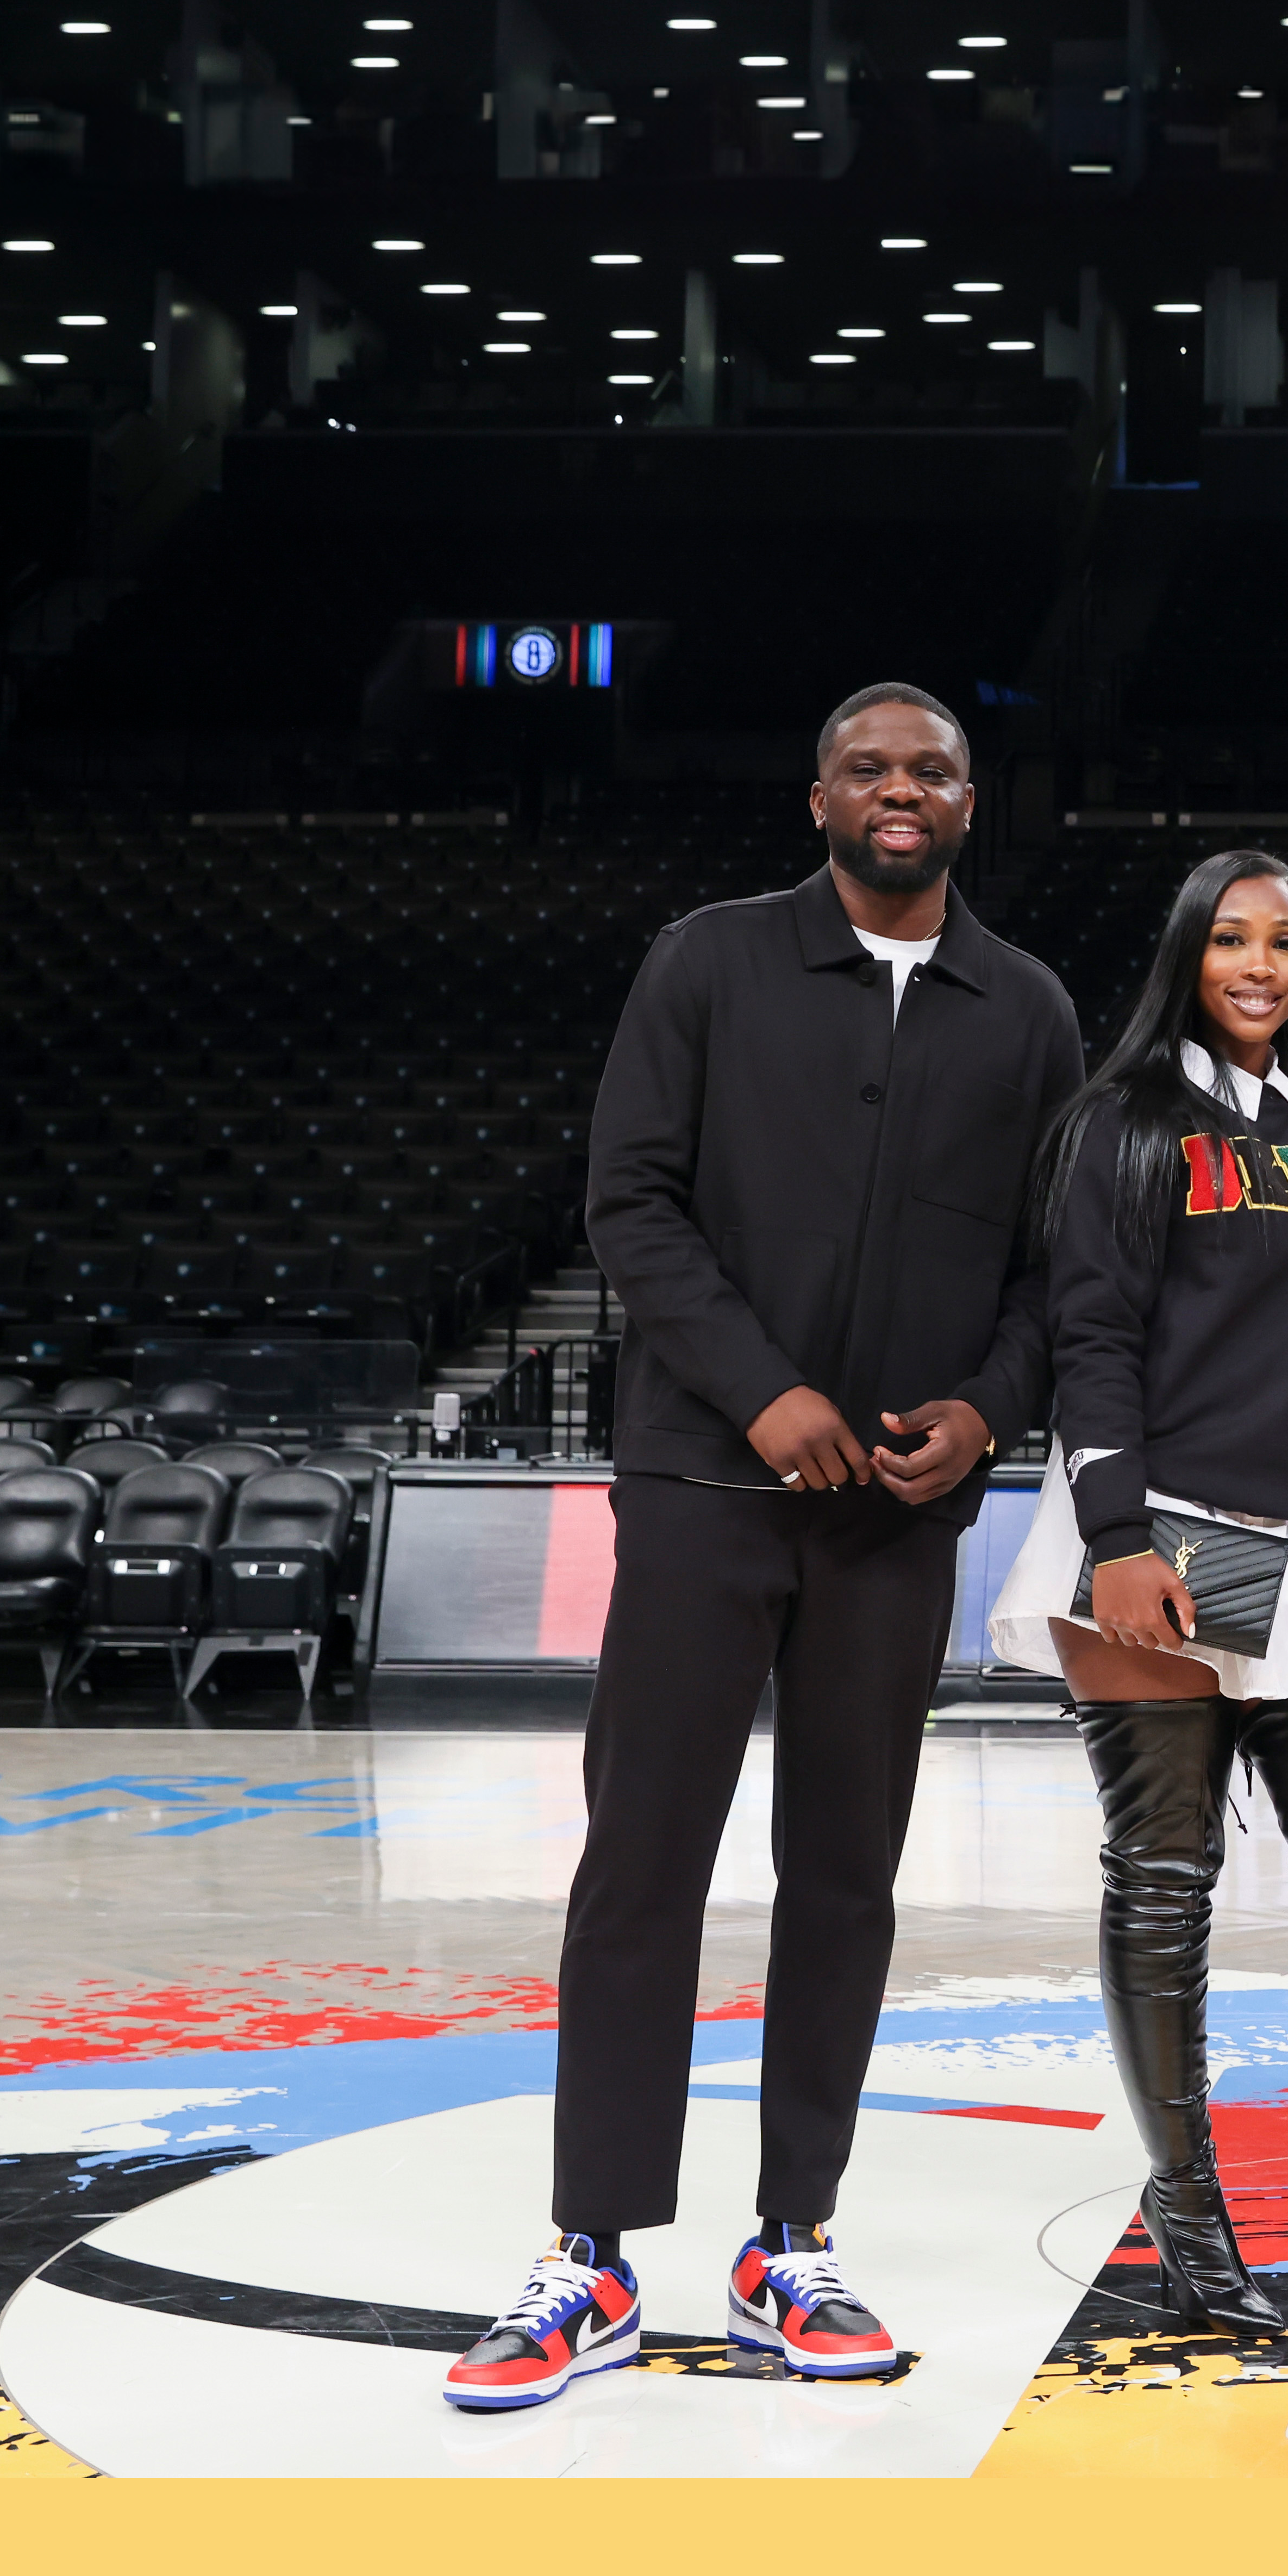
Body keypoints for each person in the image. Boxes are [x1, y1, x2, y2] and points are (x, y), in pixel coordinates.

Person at [447, 682, 1080, 2413]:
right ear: (818, 798)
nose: (900, 791)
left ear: (970, 801)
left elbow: (1051, 1275)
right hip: (705, 1488)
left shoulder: (1026, 1011)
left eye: (930, 770)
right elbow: (627, 1201)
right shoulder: (707, 963)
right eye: (869, 768)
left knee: (848, 1880)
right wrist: (761, 1394)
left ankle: (790, 2239)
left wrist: (981, 1415)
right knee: (641, 1869)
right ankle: (588, 2255)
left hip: (895, 1520)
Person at [984, 849, 1288, 2375]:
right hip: (1154, 1539)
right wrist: (1114, 1533)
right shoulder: (1123, 1120)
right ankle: (1188, 2221)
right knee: (1165, 1886)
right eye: (1235, 938)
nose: (1262, 963)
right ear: (1188, 952)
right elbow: (1089, 1333)